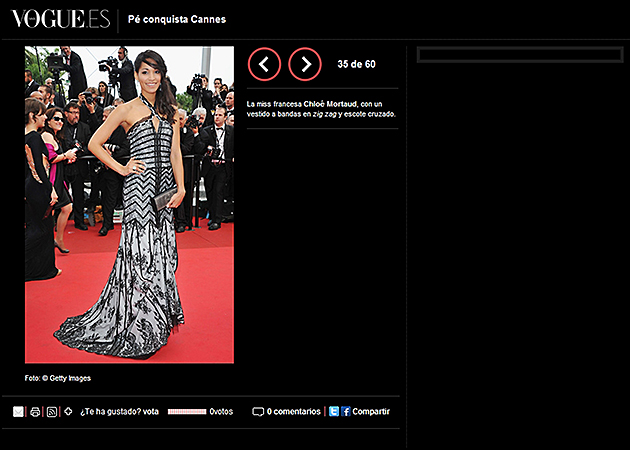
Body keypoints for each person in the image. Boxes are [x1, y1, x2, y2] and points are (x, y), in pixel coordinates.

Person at [54, 50, 185, 359]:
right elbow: (94, 143)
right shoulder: (126, 109)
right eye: (145, 72)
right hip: (139, 192)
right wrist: (122, 168)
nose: (151, 77)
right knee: (141, 257)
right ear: (136, 76)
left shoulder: (171, 110)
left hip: (166, 193)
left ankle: (156, 320)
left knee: (162, 256)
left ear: (162, 75)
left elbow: (175, 153)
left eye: (156, 71)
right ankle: (140, 324)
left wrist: (181, 187)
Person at [25, 98, 61, 281]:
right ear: (32, 116)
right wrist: (50, 188)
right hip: (38, 186)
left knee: (36, 226)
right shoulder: (34, 137)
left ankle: (43, 269)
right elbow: (39, 168)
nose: (45, 118)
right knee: (42, 229)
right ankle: (44, 270)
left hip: (29, 187)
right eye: (42, 115)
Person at [40, 107, 77, 253]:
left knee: (67, 208)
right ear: (48, 121)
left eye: (62, 119)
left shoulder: (54, 137)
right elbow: (50, 157)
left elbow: (56, 159)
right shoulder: (46, 136)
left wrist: (66, 159)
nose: (60, 121)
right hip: (51, 180)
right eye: (56, 118)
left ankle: (58, 239)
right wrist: (65, 156)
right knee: (50, 213)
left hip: (59, 179)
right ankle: (47, 242)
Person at [194, 105, 234, 230]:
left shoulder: (231, 131)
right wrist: (207, 148)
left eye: (220, 115)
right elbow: (200, 147)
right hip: (209, 166)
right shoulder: (207, 130)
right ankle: (212, 216)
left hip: (223, 165)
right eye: (216, 115)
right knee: (210, 192)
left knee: (218, 192)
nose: (217, 117)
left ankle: (217, 219)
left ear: (225, 117)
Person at [97, 105, 130, 236]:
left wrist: (111, 156)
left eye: (106, 116)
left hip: (117, 169)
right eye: (103, 116)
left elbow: (126, 149)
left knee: (111, 197)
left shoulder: (121, 130)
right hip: (103, 169)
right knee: (105, 196)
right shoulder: (100, 129)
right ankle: (108, 222)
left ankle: (106, 224)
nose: (103, 119)